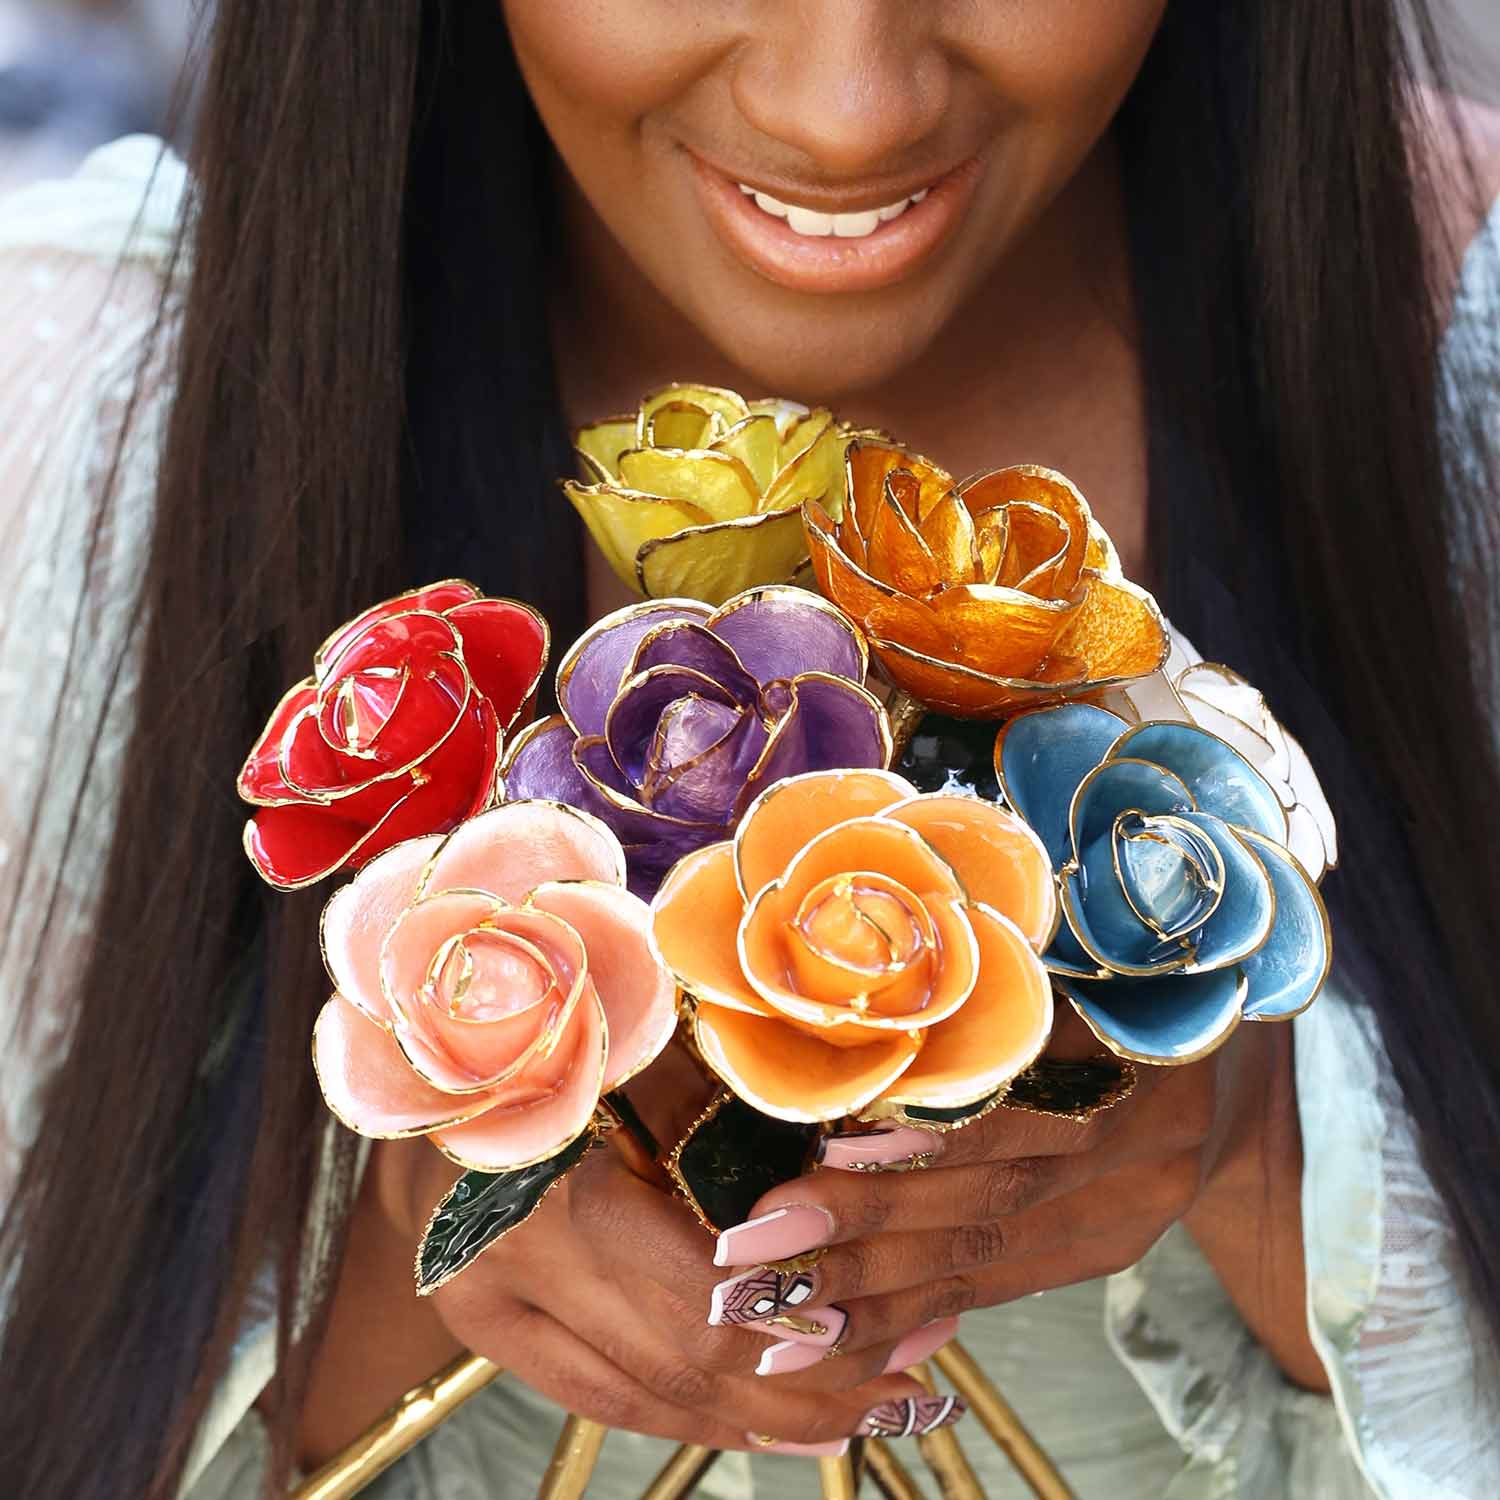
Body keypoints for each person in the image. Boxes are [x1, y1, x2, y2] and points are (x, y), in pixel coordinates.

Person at [1, 5, 1498, 1497]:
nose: (847, 113)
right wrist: (419, 1188)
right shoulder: (91, 421)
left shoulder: (1459, 369)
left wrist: (1255, 1141)